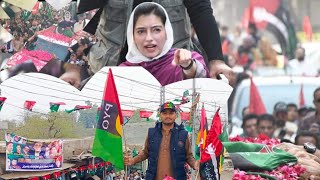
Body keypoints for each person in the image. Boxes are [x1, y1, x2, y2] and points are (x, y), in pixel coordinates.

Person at [78, 0, 235, 85]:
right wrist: (73, 68)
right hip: (114, 70)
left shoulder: (189, 62)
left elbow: (201, 12)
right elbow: (83, 18)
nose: (149, 38)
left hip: (174, 73)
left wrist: (217, 60)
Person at [119, 2, 209, 86]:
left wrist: (188, 65)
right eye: (141, 31)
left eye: (156, 30)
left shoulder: (184, 59)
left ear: (167, 33)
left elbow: (202, 81)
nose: (149, 38)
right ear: (132, 36)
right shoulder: (122, 72)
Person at [124, 101, 198, 179]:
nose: (168, 116)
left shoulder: (183, 135)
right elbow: (145, 152)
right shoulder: (152, 133)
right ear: (160, 115)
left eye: (171, 113)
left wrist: (195, 164)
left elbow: (188, 156)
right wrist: (133, 160)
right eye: (165, 113)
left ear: (175, 115)